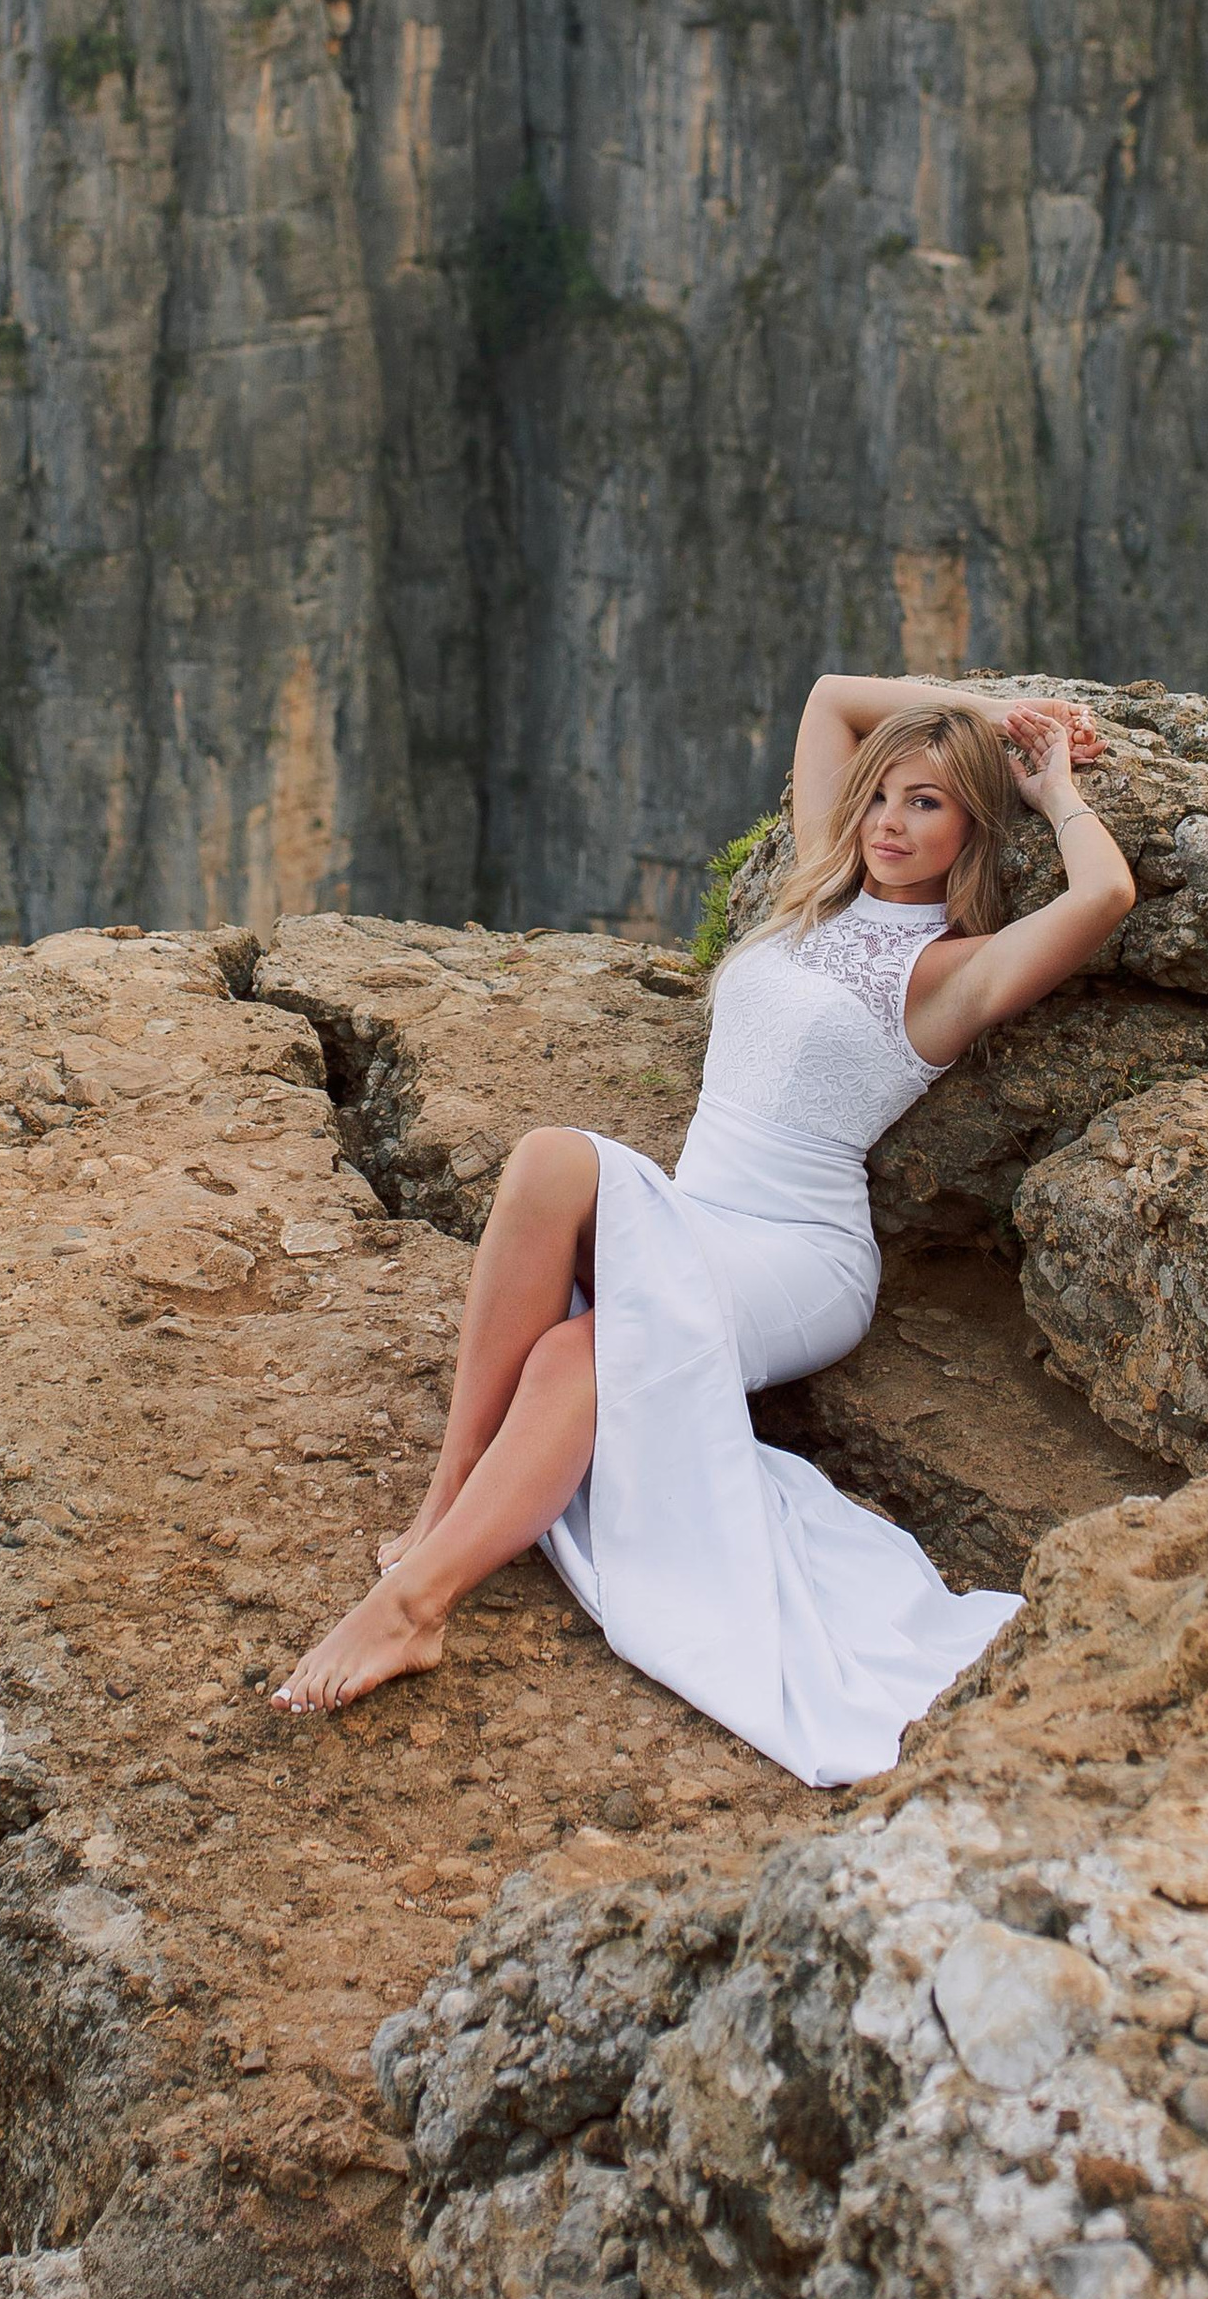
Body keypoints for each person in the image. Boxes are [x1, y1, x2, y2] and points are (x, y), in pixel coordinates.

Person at [271, 675, 1137, 1785]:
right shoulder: (823, 891)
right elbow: (833, 700)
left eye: (926, 803)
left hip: (794, 1255)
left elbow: (1103, 895)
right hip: (697, 1213)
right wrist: (987, 706)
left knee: (565, 1248)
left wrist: (1046, 772)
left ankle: (417, 1598)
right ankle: (442, 1510)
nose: (888, 821)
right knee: (561, 1266)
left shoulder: (947, 972)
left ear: (969, 824)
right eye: (881, 796)